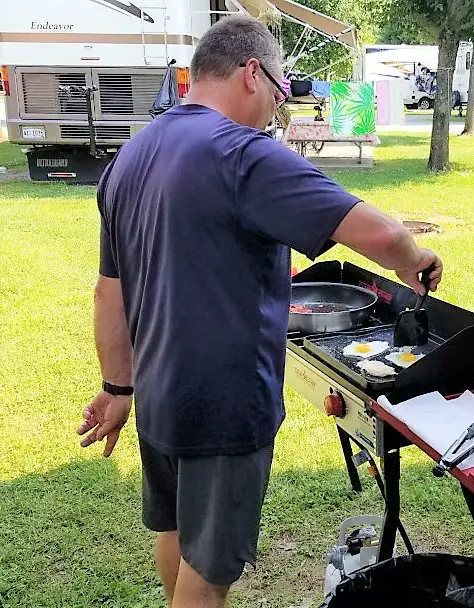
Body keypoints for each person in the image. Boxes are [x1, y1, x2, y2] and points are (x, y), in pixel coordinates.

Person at [76, 16, 442, 608]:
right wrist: (416, 256)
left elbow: (107, 292)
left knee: (173, 528)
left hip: (160, 390)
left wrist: (119, 388)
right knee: (210, 569)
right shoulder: (243, 154)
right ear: (252, 73)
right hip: (224, 401)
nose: (277, 107)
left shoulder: (132, 154)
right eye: (278, 92)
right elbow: (374, 231)